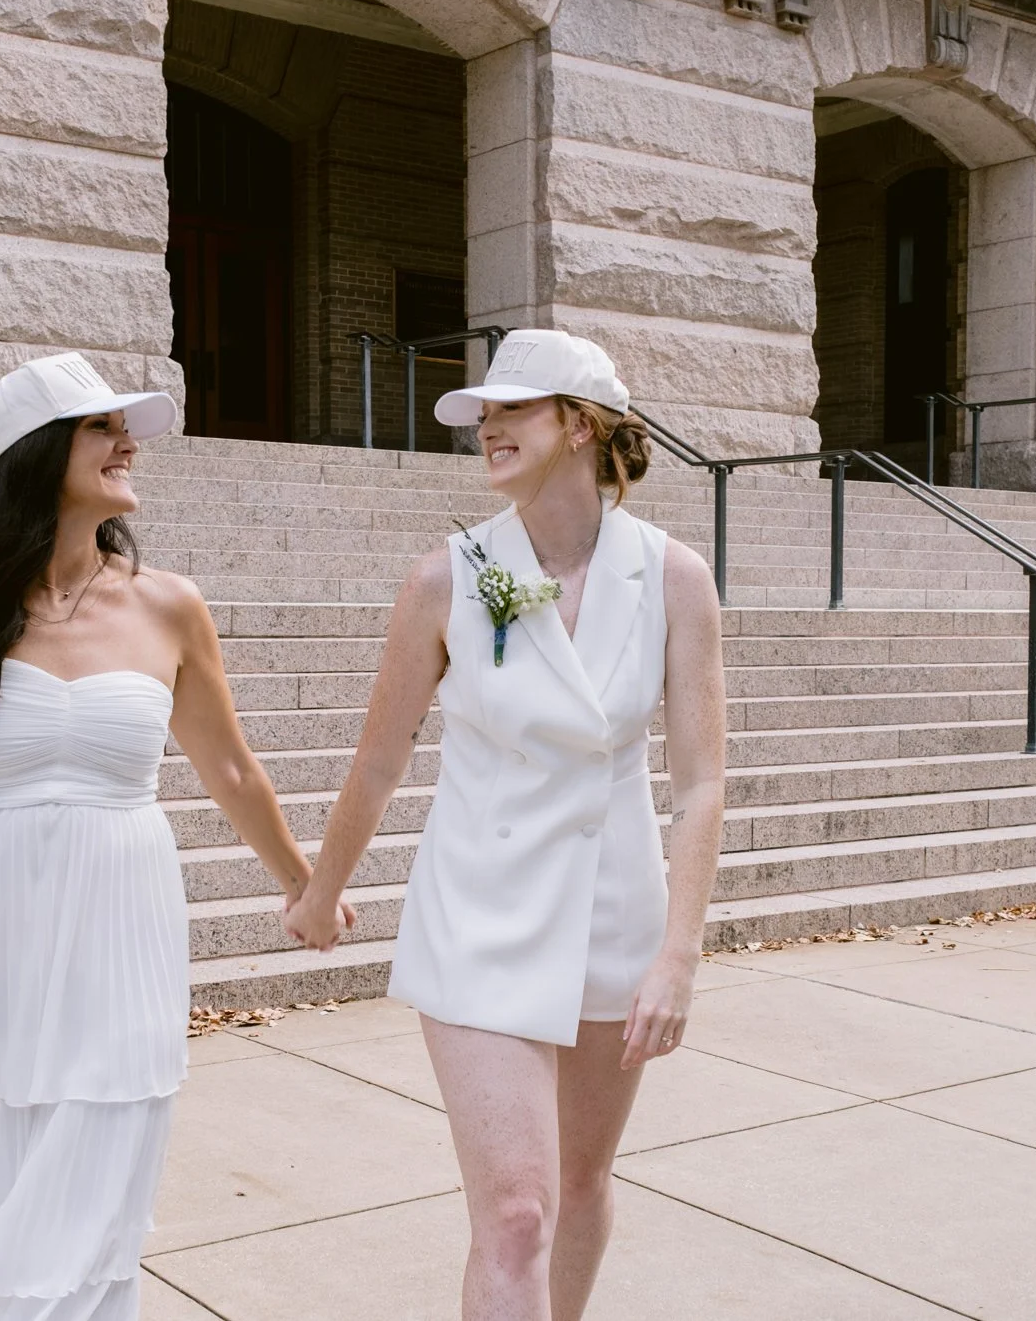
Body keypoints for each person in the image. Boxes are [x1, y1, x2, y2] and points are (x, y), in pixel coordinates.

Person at [0, 352, 337, 1320]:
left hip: (118, 909)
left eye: (124, 426)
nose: (128, 443)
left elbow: (230, 767)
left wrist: (304, 883)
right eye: (100, 426)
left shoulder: (168, 602)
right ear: (35, 457)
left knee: (101, 1136)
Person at [283, 329, 726, 1320]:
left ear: (577, 423)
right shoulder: (444, 578)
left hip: (614, 918)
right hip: (478, 917)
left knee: (576, 1188)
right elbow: (380, 755)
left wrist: (678, 952)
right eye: (480, 413)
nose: (486, 426)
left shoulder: (673, 579)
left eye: (510, 408)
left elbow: (700, 782)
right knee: (517, 1210)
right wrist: (321, 888)